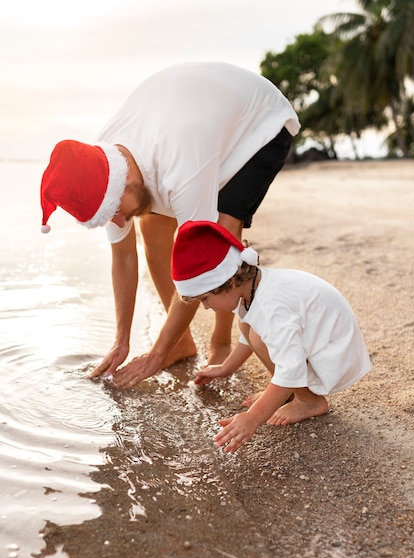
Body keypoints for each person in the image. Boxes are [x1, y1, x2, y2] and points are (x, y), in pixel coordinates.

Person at [39, 62, 300, 388]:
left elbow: (205, 259)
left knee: (221, 237)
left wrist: (155, 355)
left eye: (115, 211)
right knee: (150, 228)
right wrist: (123, 340)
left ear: (126, 181)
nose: (117, 222)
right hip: (195, 122)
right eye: (107, 217)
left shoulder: (181, 162)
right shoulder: (101, 170)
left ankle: (220, 343)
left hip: (259, 123)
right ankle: (180, 342)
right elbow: (123, 257)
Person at [171, 220, 372, 454]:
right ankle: (286, 392)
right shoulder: (254, 287)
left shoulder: (271, 308)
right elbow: (247, 337)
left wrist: (253, 418)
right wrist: (226, 367)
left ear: (228, 281)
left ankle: (309, 401)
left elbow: (290, 367)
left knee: (259, 336)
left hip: (335, 354)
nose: (205, 307)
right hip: (321, 343)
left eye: (205, 298)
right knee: (250, 329)